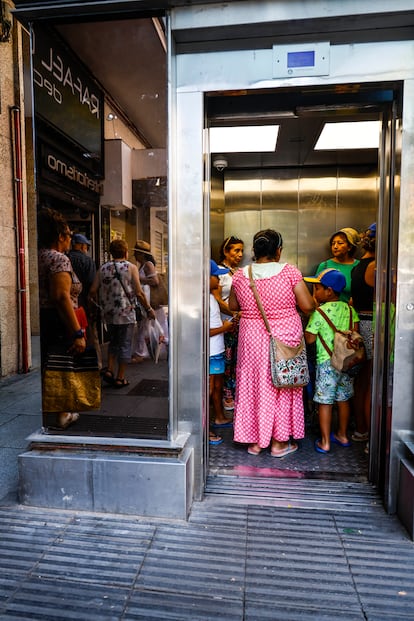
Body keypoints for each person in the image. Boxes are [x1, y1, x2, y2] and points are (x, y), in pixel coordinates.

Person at [229, 229, 315, 457]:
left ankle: (256, 441)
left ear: (255, 252)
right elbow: (307, 306)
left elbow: (233, 306)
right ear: (278, 251)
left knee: (255, 385)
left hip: (251, 338)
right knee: (283, 383)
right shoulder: (290, 273)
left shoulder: (240, 275)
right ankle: (278, 442)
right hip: (284, 336)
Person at [37, 207, 87, 430]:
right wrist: (77, 332)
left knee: (51, 364)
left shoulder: (38, 255)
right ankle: (62, 414)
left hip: (45, 318)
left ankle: (54, 410)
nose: (69, 239)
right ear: (60, 236)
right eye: (68, 235)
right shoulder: (59, 259)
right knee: (63, 364)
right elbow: (61, 297)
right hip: (61, 320)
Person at [304, 268, 360, 454]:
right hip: (346, 362)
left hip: (326, 363)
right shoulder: (351, 310)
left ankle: (325, 442)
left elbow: (310, 339)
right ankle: (342, 435)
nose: (315, 292)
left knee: (325, 402)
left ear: (328, 291)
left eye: (317, 288)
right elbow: (355, 333)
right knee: (343, 399)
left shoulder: (319, 312)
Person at [89, 239, 155, 388]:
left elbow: (92, 291)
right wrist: (149, 309)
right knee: (125, 344)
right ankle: (120, 377)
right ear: (125, 252)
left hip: (109, 314)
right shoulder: (131, 268)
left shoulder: (103, 268)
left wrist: (98, 306)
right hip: (126, 313)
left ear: (111, 253)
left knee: (113, 341)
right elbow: (138, 292)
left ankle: (110, 370)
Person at [350, 223, 376, 452]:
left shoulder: (358, 266)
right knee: (370, 383)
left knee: (362, 383)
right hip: (372, 325)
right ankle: (372, 438)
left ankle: (360, 430)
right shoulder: (376, 266)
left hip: (362, 323)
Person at [215, 236, 244, 412]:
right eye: (236, 250)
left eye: (241, 251)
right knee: (226, 360)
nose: (240, 254)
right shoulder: (219, 271)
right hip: (223, 322)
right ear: (226, 252)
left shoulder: (238, 272)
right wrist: (233, 313)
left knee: (236, 360)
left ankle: (234, 391)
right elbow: (217, 298)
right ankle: (226, 394)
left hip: (238, 323)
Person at [209, 260, 235, 445]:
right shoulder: (200, 299)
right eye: (215, 275)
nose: (218, 279)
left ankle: (219, 417)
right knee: (208, 391)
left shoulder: (211, 296)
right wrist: (224, 328)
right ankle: (205, 429)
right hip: (210, 353)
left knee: (217, 387)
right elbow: (203, 332)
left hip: (216, 351)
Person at [68, 233, 102, 368]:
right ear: (82, 246)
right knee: (91, 337)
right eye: (86, 246)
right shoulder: (88, 261)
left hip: (69, 306)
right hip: (84, 307)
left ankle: (73, 365)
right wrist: (93, 307)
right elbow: (92, 287)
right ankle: (94, 365)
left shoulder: (65, 258)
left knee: (71, 335)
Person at [131, 240, 169, 362]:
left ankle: (140, 353)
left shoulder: (148, 265)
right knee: (150, 325)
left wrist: (138, 279)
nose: (135, 256)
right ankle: (162, 345)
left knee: (146, 324)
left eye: (136, 253)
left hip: (150, 299)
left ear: (141, 254)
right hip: (147, 298)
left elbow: (155, 281)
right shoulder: (142, 265)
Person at [316, 228, 360, 302]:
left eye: (340, 243)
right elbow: (315, 295)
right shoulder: (325, 266)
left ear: (349, 247)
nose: (335, 247)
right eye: (333, 243)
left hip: (349, 311)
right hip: (327, 312)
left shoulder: (358, 266)